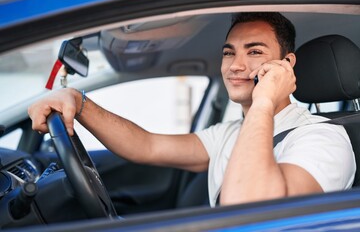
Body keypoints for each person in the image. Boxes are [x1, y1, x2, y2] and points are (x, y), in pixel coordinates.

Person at [28, 12, 356, 208]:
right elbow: (147, 146)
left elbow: (247, 210)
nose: (236, 66)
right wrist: (78, 102)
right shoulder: (231, 132)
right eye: (229, 53)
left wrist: (265, 100)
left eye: (254, 51)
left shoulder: (323, 139)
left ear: (286, 64)